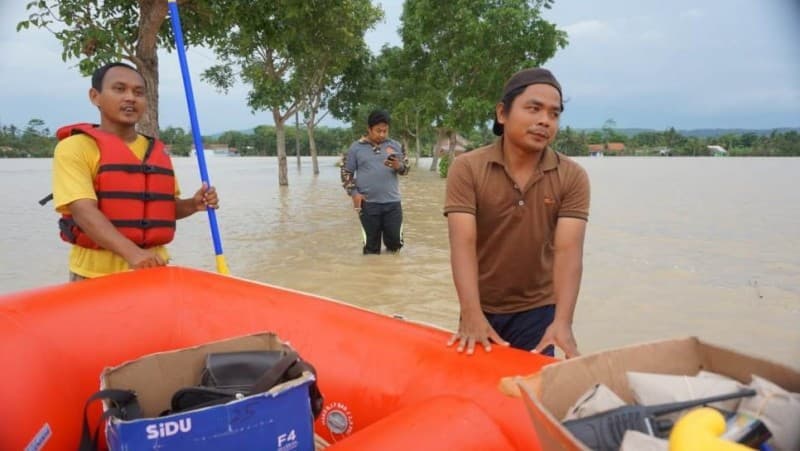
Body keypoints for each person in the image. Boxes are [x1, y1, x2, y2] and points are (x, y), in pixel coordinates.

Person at [444, 68, 590, 358]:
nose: (544, 121)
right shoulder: (467, 168)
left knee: (527, 396)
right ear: (502, 113)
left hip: (538, 310)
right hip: (480, 304)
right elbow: (463, 244)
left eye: (554, 114)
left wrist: (563, 322)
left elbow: (568, 252)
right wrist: (471, 312)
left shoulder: (572, 176)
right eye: (533, 109)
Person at [50, 62, 219, 281]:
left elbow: (160, 208)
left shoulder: (156, 150)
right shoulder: (75, 147)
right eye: (119, 89)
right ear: (95, 96)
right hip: (94, 276)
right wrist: (133, 254)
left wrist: (193, 205)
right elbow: (83, 210)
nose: (130, 98)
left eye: (138, 92)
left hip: (154, 270)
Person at [341, 110, 409, 254]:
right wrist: (354, 193)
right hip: (368, 205)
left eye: (385, 131)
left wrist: (399, 166)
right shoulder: (355, 148)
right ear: (369, 129)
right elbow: (346, 173)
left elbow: (406, 170)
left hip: (393, 204)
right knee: (371, 249)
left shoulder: (396, 145)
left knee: (395, 245)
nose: (382, 134)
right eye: (378, 131)